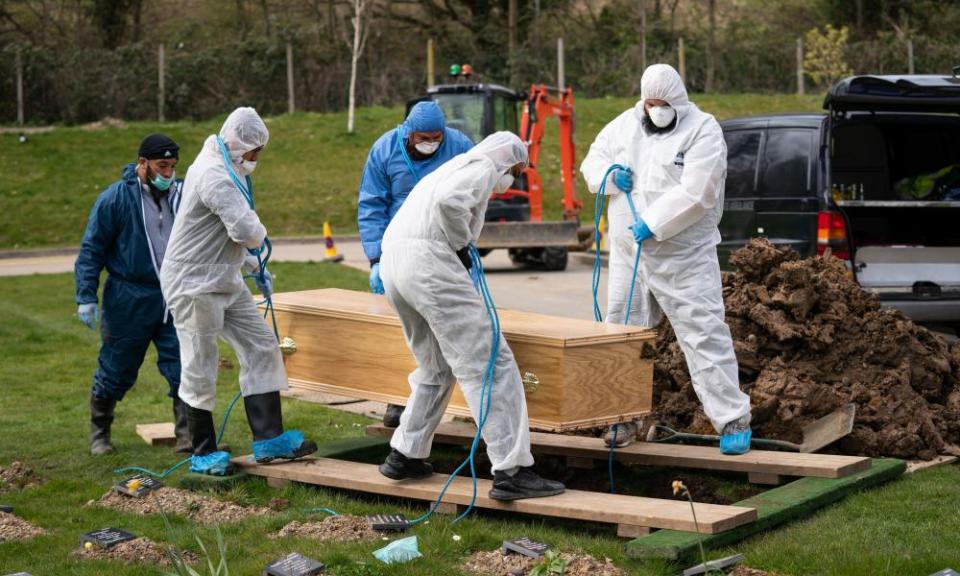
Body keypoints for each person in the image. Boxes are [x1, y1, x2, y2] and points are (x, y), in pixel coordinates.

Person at [378, 131, 566, 501]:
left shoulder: (448, 168)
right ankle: (512, 470)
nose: (511, 178)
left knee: (435, 367)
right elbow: (451, 205)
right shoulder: (482, 165)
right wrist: (460, 244)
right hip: (430, 264)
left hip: (395, 264)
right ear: (506, 160)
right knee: (491, 364)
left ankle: (405, 453)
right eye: (514, 170)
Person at [580, 64, 753, 455]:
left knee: (703, 333)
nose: (656, 110)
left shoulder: (703, 130)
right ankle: (621, 417)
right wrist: (609, 176)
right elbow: (592, 164)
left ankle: (732, 419)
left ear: (678, 101)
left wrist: (653, 223)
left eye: (663, 104)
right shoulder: (624, 125)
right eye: (650, 103)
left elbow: (699, 192)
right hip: (629, 255)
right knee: (623, 334)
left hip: (684, 257)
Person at [160, 107, 317, 476]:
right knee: (200, 362)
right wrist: (257, 245)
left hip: (222, 276)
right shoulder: (214, 174)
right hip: (193, 283)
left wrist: (250, 265)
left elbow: (219, 236)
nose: (255, 160)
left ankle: (269, 438)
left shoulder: (227, 166)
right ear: (236, 144)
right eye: (253, 152)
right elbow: (246, 230)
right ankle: (202, 450)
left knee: (261, 345)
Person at [358, 100, 474, 429]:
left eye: (436, 137)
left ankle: (467, 396)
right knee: (407, 332)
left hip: (448, 248)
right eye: (424, 137)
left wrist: (465, 241)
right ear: (408, 134)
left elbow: (474, 195)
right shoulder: (384, 150)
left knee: (460, 324)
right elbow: (371, 204)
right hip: (400, 251)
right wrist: (376, 258)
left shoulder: (460, 146)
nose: (431, 143)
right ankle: (400, 399)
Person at [75, 134, 190, 456]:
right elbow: (91, 249)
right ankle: (101, 432)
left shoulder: (180, 196)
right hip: (128, 297)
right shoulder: (115, 199)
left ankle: (186, 435)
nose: (168, 173)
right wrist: (86, 295)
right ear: (143, 163)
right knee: (116, 366)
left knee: (183, 364)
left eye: (172, 166)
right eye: (161, 166)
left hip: (173, 295)